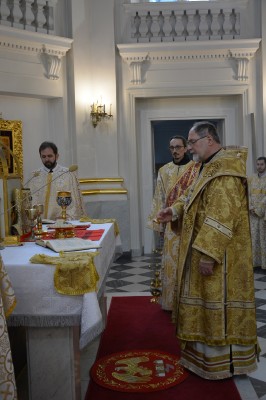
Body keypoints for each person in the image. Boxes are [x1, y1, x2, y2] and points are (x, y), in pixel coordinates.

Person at [157, 121, 259, 380]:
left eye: (192, 142)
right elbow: (190, 196)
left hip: (220, 257)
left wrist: (208, 254)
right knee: (202, 304)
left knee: (216, 305)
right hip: (199, 249)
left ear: (209, 140)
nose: (189, 147)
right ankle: (201, 358)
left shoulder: (225, 171)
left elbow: (221, 217)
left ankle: (223, 363)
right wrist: (174, 210)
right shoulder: (205, 167)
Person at [147, 135, 200, 310]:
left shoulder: (196, 169)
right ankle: (170, 303)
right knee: (171, 264)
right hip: (171, 225)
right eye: (172, 148)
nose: (175, 151)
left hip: (190, 223)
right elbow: (159, 198)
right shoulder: (164, 171)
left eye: (178, 147)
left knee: (188, 264)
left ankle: (188, 305)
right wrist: (159, 224)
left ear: (185, 148)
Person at [28, 142, 86, 220]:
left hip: (62, 221)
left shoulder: (68, 174)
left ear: (57, 156)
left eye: (50, 156)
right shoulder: (35, 176)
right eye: (43, 156)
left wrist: (66, 217)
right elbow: (31, 201)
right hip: (39, 222)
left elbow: (75, 202)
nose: (47, 159)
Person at [248, 157, 266, 269]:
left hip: (263, 214)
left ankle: (264, 264)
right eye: (258, 164)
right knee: (254, 238)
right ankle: (255, 263)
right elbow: (248, 194)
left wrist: (258, 210)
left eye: (262, 164)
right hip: (252, 214)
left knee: (263, 238)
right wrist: (250, 207)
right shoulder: (251, 178)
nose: (259, 166)